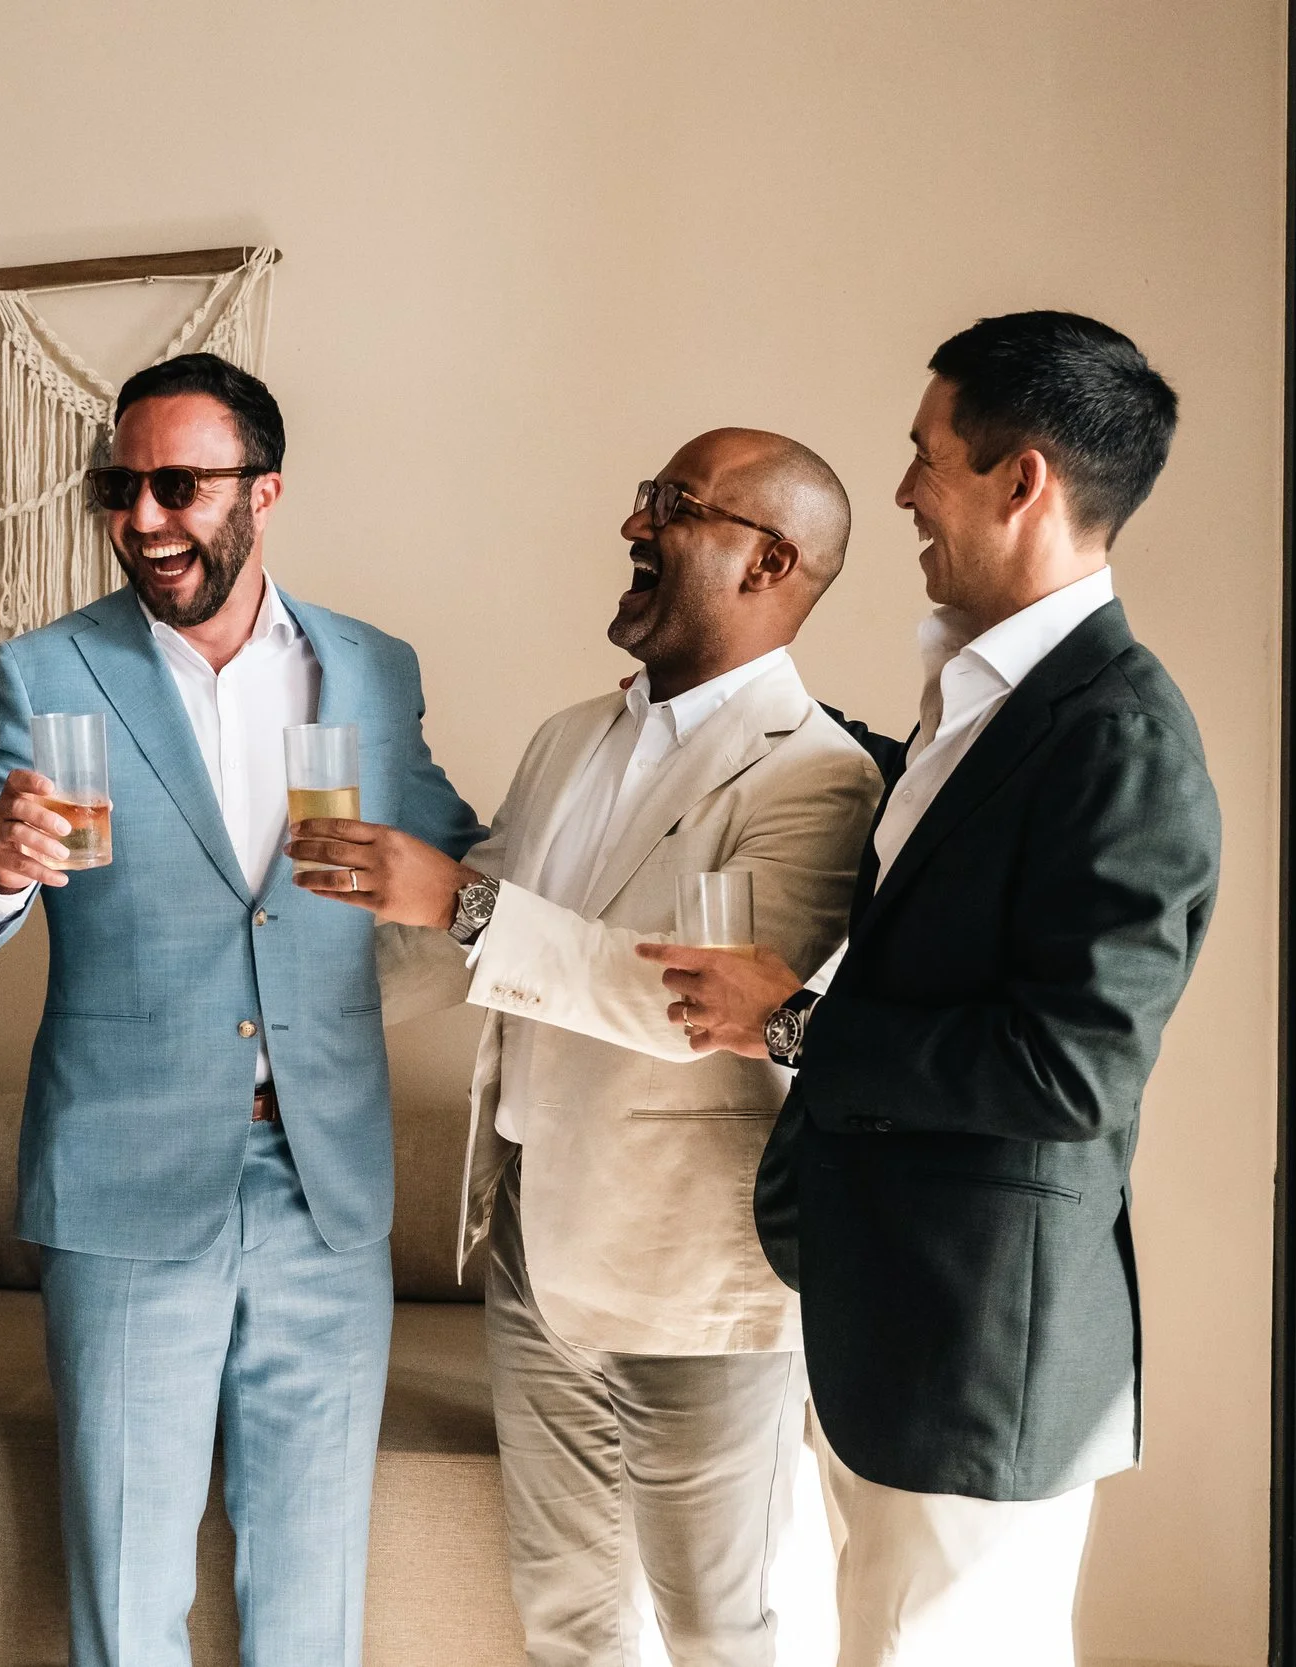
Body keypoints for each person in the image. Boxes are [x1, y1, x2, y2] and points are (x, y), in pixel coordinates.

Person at [642, 312, 1223, 1666]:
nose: (902, 489)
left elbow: (1072, 1069)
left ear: (1021, 481)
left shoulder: (1120, 737)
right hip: (894, 1320)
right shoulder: (983, 702)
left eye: (926, 454)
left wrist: (790, 1019)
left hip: (979, 1347)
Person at [289, 429, 881, 1665]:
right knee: (568, 1616)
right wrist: (267, 1026)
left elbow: (694, 1005)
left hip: (695, 1275)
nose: (633, 524)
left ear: (768, 559)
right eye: (644, 496)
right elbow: (461, 949)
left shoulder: (817, 779)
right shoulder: (569, 735)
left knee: (720, 1626)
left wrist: (458, 898)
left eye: (674, 503)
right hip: (531, 1251)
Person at [0, 353, 483, 1667]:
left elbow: (456, 864)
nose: (142, 516)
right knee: (128, 1593)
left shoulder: (370, 666)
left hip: (324, 1179)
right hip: (125, 1176)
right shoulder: (43, 670)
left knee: (312, 1592)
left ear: (262, 490)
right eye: (118, 487)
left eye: (177, 484)